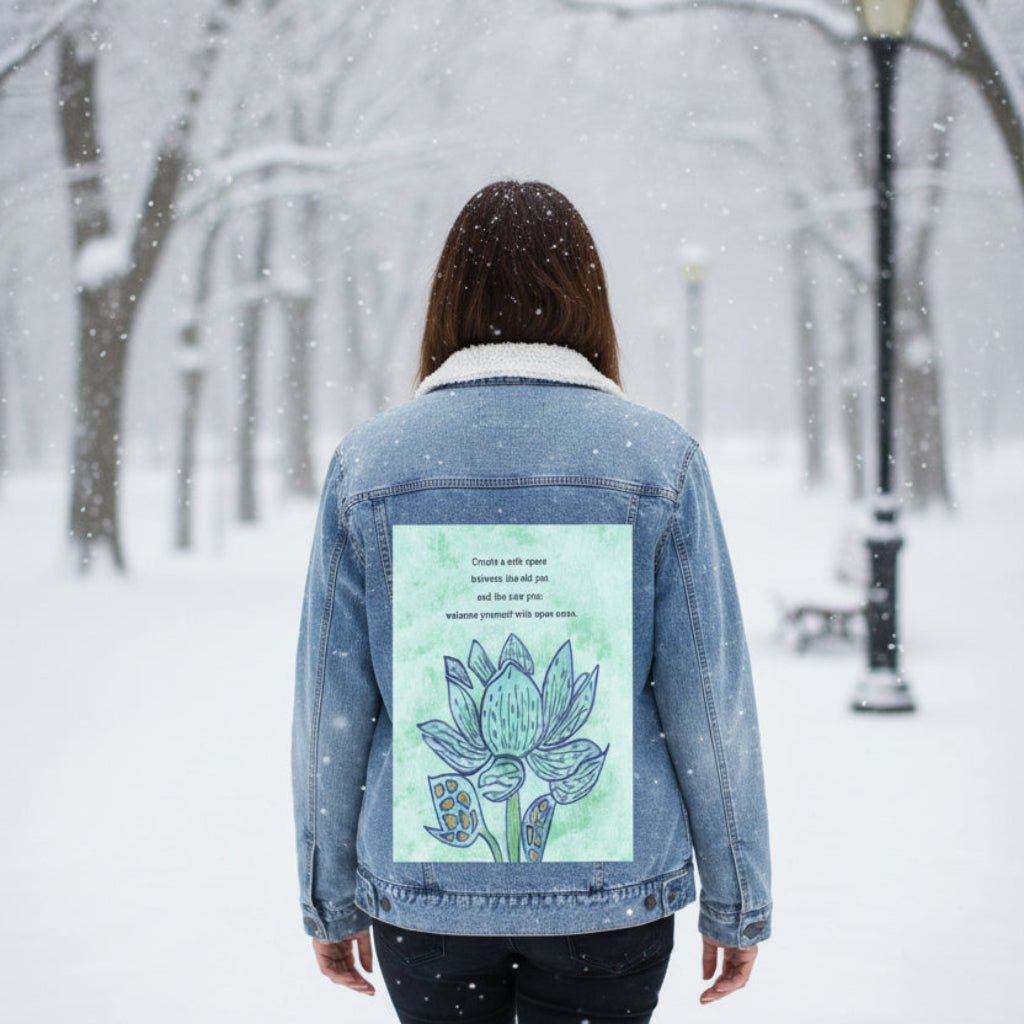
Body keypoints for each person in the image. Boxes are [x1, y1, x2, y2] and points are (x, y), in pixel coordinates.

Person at [291, 180, 772, 1023]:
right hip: (610, 903)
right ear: (587, 300)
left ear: (449, 300)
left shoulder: (371, 465)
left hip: (428, 903)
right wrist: (738, 896)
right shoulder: (655, 460)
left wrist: (327, 894)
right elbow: (709, 701)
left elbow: (330, 710)